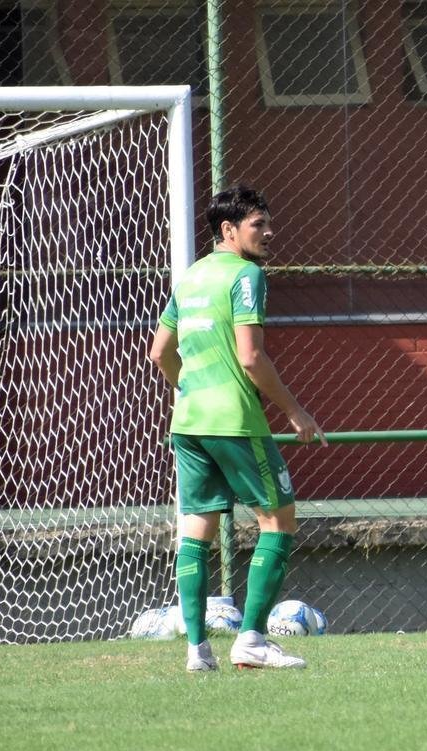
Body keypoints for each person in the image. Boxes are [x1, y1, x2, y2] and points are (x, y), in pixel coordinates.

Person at [149, 185, 325, 671]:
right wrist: (295, 411)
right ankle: (250, 640)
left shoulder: (190, 277)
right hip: (235, 422)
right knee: (279, 520)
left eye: (269, 223)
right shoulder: (246, 276)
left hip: (188, 424)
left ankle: (197, 652)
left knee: (195, 530)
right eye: (258, 225)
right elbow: (251, 356)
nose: (270, 233)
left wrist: (187, 390)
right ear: (229, 230)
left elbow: (159, 352)